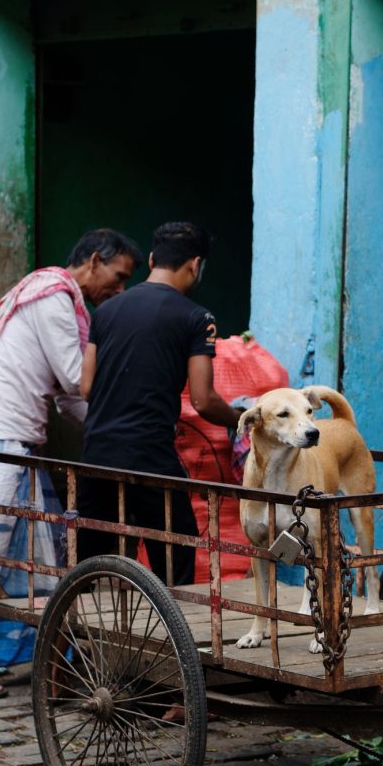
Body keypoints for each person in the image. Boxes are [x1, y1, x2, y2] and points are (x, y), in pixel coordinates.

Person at [0, 229, 142, 700]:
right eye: (119, 276)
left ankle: (47, 662)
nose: (120, 288)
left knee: (38, 558)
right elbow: (74, 377)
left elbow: (69, 397)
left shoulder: (59, 299)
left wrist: (114, 434)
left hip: (13, 440)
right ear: (92, 261)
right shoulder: (53, 298)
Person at [77, 221, 240, 585]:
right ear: (196, 265)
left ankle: (81, 640)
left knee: (90, 568)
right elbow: (203, 399)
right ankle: (172, 642)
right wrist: (240, 418)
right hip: (150, 460)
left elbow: (86, 388)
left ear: (152, 259)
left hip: (96, 457)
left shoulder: (105, 312)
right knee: (176, 559)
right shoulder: (197, 318)